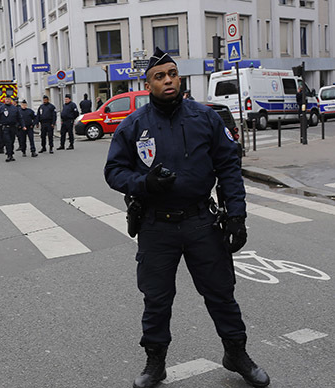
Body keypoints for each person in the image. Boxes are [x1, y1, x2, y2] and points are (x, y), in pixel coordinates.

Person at [104, 47, 269, 388]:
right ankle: (155, 363)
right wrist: (143, 183)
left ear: (179, 77)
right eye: (159, 76)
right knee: (157, 298)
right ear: (148, 83)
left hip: (200, 222)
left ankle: (236, 353)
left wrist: (236, 216)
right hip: (156, 225)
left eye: (172, 74)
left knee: (221, 293)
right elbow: (113, 171)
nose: (168, 81)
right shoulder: (135, 124)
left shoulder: (205, 117)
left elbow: (228, 167)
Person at [0, 96, 25, 162]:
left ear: (11, 100)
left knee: (12, 141)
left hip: (13, 127)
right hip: (5, 128)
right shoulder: (1, 108)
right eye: (6, 99)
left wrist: (23, 125)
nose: (7, 100)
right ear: (4, 100)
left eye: (8, 99)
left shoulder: (14, 108)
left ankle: (11, 154)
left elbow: (20, 118)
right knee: (8, 141)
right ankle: (8, 155)